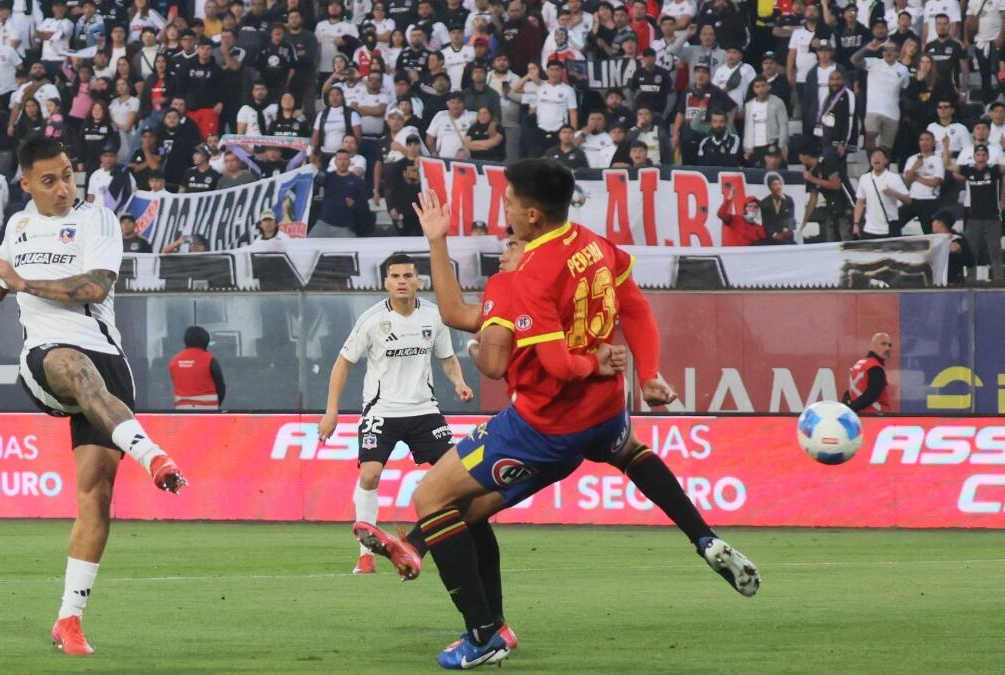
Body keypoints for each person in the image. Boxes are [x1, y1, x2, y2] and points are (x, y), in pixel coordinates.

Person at [355, 166, 760, 669]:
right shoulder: (593, 244)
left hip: (543, 426)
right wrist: (648, 373)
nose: (502, 217)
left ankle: (485, 634)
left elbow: (533, 359)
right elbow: (634, 305)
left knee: (431, 496)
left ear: (531, 215)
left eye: (507, 209)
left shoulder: (523, 279)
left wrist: (439, 252)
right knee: (483, 505)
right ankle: (703, 537)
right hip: (607, 412)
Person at [0, 136, 187, 656]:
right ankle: (154, 454)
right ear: (26, 182)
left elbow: (94, 288)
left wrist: (21, 279)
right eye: (49, 179)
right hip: (47, 356)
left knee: (97, 494)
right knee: (67, 364)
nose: (62, 187)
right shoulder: (19, 225)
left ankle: (68, 621)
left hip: (108, 360)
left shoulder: (97, 219)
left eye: (68, 176)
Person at [318, 253, 473, 575]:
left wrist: (458, 381)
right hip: (381, 411)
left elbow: (446, 358)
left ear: (419, 281)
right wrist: (331, 413)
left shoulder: (434, 317)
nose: (402, 282)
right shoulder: (372, 320)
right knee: (370, 474)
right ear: (386, 282)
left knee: (456, 479)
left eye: (408, 276)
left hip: (424, 411)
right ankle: (366, 553)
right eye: (395, 276)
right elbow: (342, 364)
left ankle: (426, 544)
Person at [947, 144, 1005, 281]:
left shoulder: (994, 169)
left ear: (988, 156)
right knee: (971, 253)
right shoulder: (969, 170)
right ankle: (970, 283)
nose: (981, 157)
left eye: (983, 154)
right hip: (973, 218)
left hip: (993, 218)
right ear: (973, 156)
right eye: (978, 154)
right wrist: (945, 145)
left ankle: (999, 283)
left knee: (995, 252)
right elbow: (948, 166)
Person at [854, 149, 911, 239]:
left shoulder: (894, 178)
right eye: (873, 156)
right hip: (870, 228)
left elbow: (908, 200)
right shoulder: (864, 178)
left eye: (879, 156)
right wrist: (856, 223)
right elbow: (860, 202)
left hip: (890, 227)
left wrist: (894, 193)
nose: (876, 158)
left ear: (886, 160)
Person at [168, 326, 226, 410]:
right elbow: (220, 386)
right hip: (208, 411)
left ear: (185, 340)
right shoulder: (210, 359)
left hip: (182, 411)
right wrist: (216, 405)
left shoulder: (174, 361)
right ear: (205, 341)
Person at [842, 332, 893, 412]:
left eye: (890, 345)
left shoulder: (859, 364)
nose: (887, 348)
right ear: (872, 346)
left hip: (860, 416)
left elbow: (849, 393)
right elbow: (872, 395)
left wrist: (849, 409)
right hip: (876, 417)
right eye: (883, 344)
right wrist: (851, 409)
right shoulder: (875, 368)